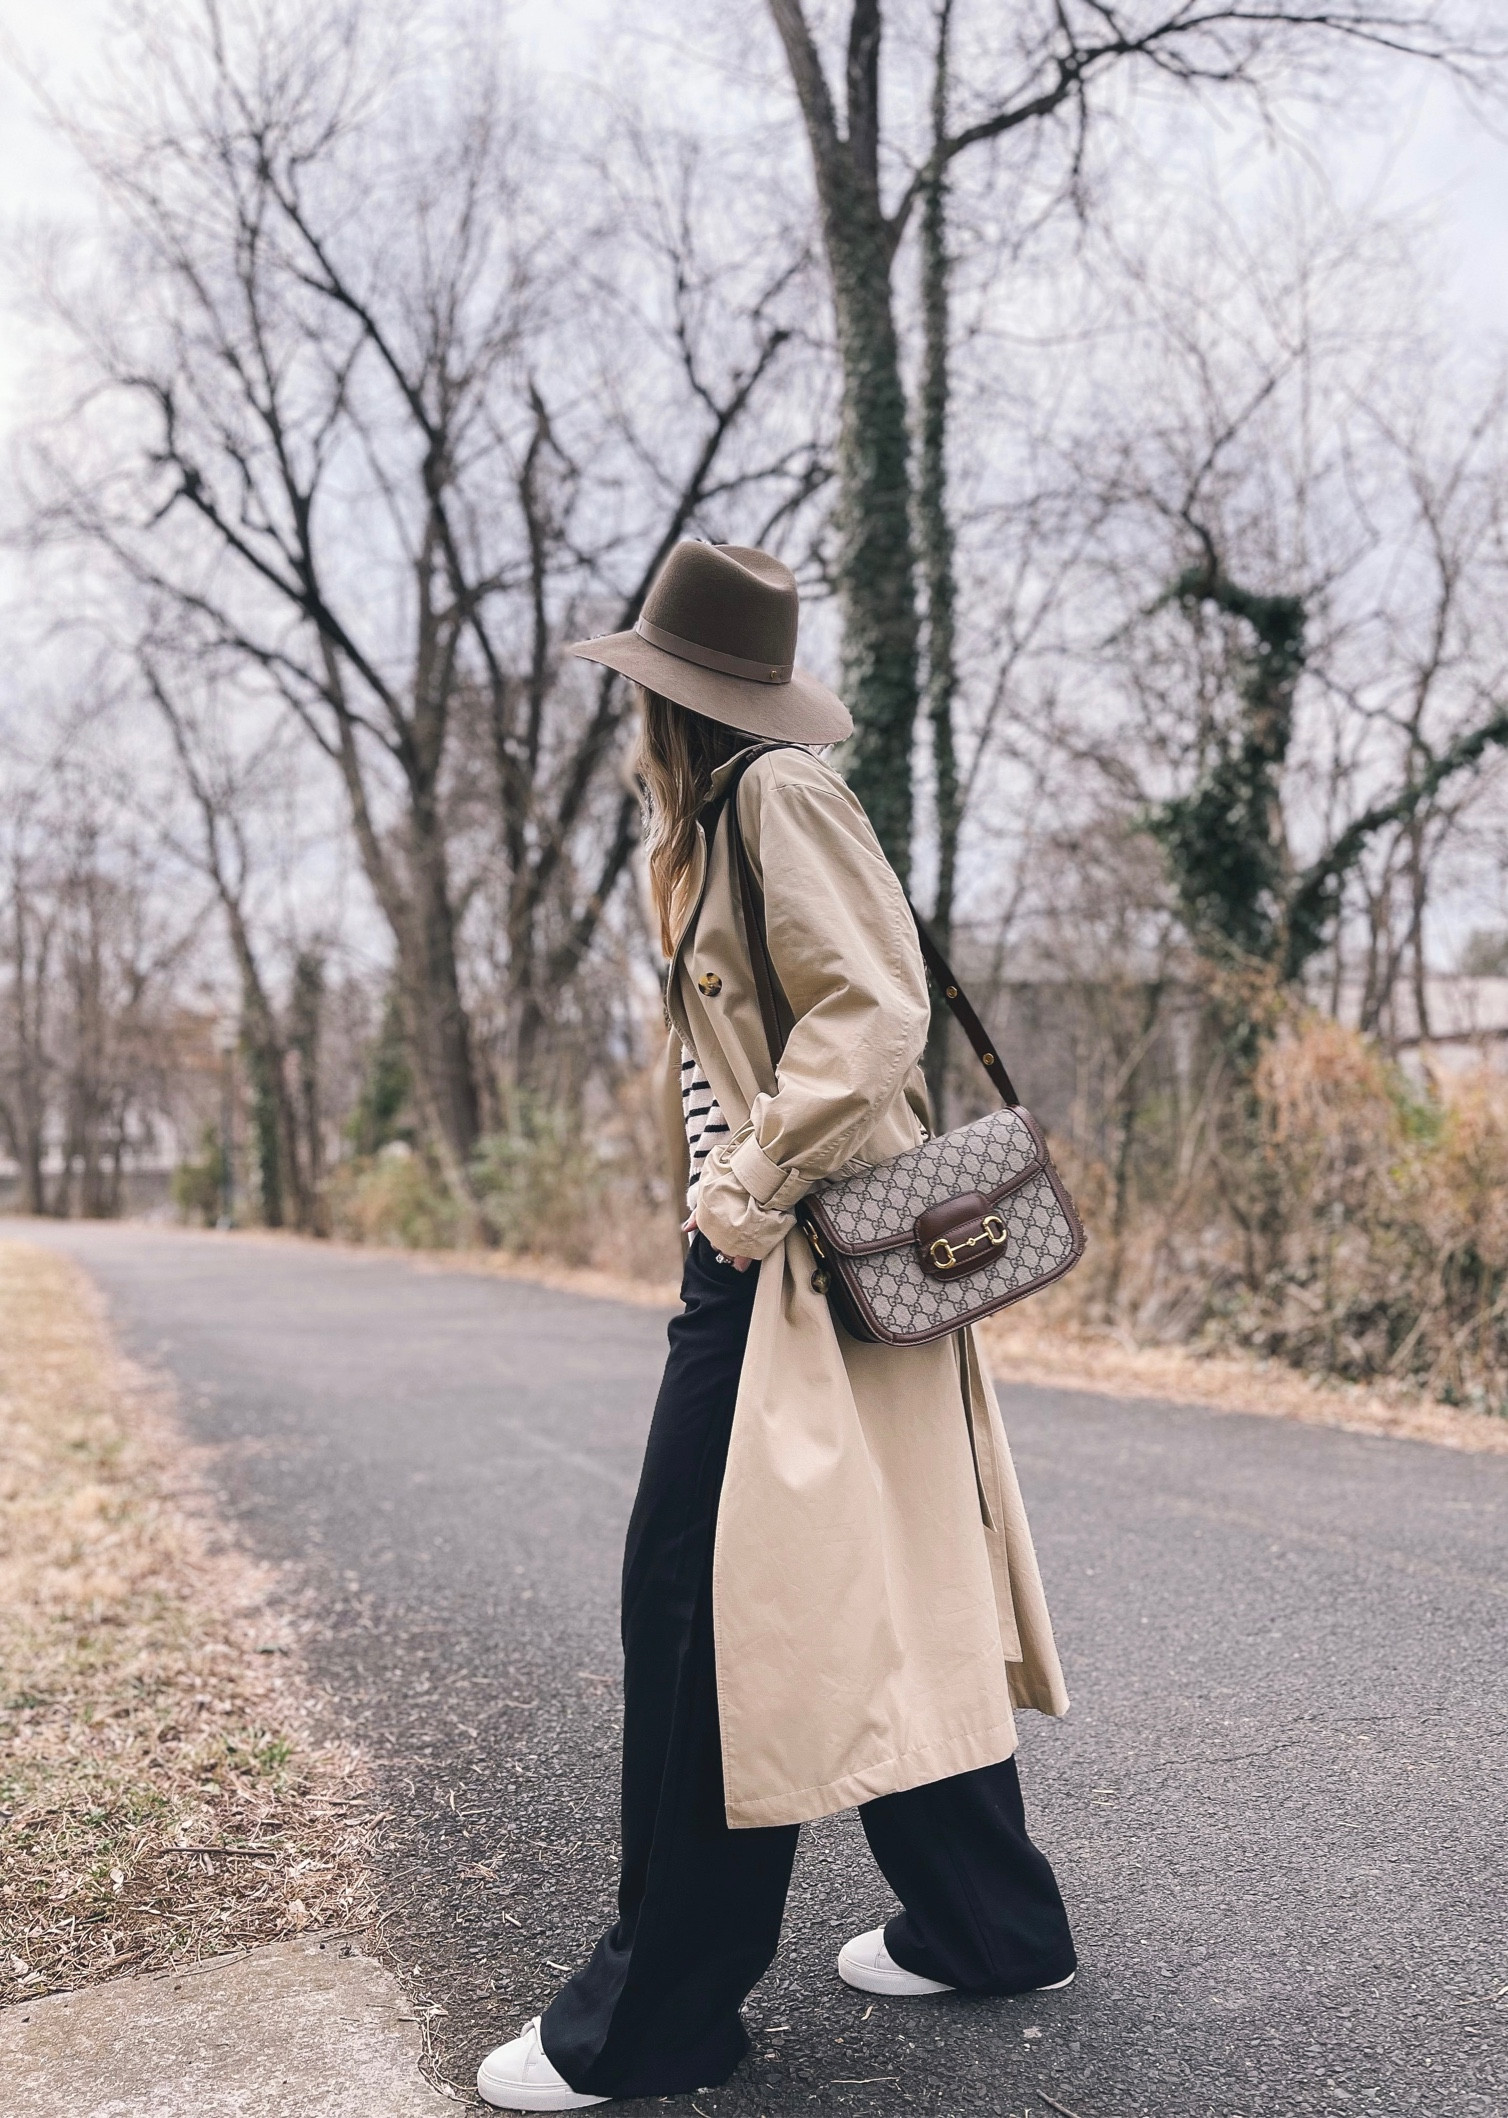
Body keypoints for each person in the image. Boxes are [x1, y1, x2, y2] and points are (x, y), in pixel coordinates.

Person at [476, 541, 1076, 2112]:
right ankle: (988, 1920)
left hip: (793, 1258)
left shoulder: (772, 797)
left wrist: (738, 1192)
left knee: (698, 1612)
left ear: (667, 694)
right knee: (878, 1574)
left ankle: (657, 2017)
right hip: (809, 1259)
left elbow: (875, 1008)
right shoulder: (713, 819)